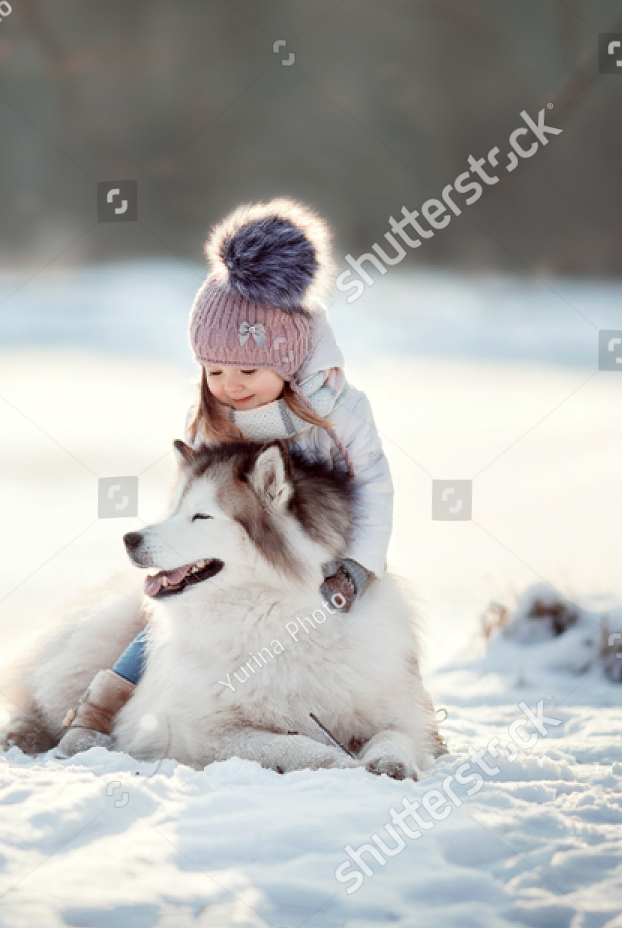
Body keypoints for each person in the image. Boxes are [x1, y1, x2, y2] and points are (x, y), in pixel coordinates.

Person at [59, 199, 394, 755]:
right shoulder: (214, 420)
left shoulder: (340, 409)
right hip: (253, 558)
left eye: (246, 370)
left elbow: (375, 488)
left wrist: (360, 565)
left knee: (378, 630)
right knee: (153, 628)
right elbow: (201, 503)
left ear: (287, 362)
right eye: (214, 370)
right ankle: (97, 709)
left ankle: (411, 715)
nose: (230, 385)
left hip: (332, 550)